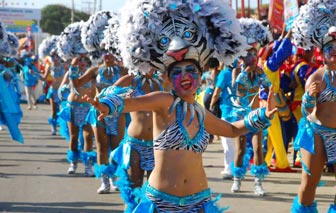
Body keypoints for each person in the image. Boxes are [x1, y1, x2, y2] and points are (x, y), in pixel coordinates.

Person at [83, 0, 277, 212]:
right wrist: (107, 106)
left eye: (190, 71)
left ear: (200, 75)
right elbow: (133, 103)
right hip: (162, 201)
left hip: (199, 202)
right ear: (168, 77)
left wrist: (262, 115)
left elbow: (231, 129)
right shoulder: (164, 102)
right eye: (177, 72)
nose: (185, 76)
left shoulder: (200, 113)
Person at [291, 1, 336, 212]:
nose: (334, 52)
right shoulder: (316, 77)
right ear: (322, 52)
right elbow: (306, 112)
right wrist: (309, 98)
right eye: (329, 48)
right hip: (317, 132)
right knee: (309, 184)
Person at [230, 17, 273, 196]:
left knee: (258, 149)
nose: (253, 57)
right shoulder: (237, 72)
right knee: (240, 151)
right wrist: (245, 74)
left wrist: (262, 76)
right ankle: (237, 180)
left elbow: (269, 87)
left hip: (256, 115)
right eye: (249, 54)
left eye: (255, 53)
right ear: (242, 56)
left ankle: (258, 183)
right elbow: (236, 90)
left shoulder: (259, 71)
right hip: (241, 116)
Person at [209, 61, 237, 179]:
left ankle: (229, 169)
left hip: (228, 111)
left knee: (227, 142)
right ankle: (238, 167)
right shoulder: (243, 72)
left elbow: (216, 92)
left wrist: (211, 105)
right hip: (241, 110)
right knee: (239, 143)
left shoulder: (224, 74)